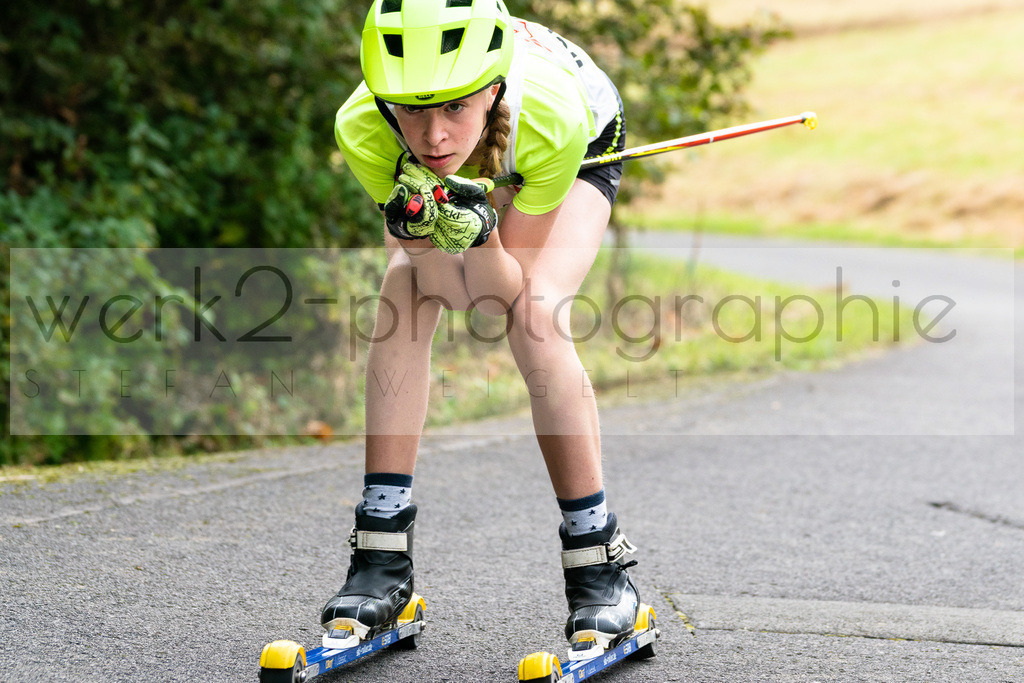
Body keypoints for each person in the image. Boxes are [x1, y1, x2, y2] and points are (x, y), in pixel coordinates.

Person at [321, 0, 640, 660]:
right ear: (385, 104)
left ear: (491, 89)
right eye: (412, 110)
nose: (433, 136)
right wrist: (431, 229)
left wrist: (484, 230)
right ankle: (382, 562)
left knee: (536, 310)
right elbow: (441, 284)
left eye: (454, 109)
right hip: (494, 149)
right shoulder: (364, 127)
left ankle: (601, 570)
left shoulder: (551, 116)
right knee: (403, 288)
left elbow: (494, 299)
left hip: (578, 139)